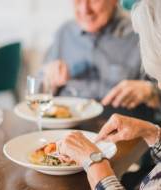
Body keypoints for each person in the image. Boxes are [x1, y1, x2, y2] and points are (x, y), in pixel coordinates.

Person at [58, 0, 161, 189]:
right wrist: (152, 133)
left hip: (121, 153)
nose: (84, 9)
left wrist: (95, 161)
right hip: (74, 137)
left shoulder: (145, 30)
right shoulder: (64, 33)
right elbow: (40, 90)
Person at [42, 0, 160, 120]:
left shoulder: (141, 33)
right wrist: (49, 79)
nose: (84, 9)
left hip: (121, 132)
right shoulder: (64, 33)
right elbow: (37, 92)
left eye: (94, 0)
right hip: (65, 128)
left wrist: (151, 92)